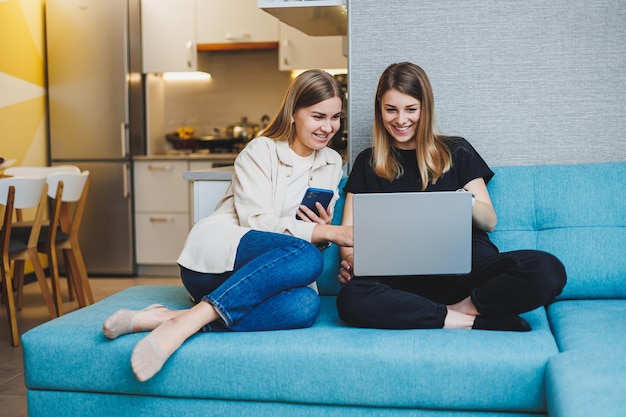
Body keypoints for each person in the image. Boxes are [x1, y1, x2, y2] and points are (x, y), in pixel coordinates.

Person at [103, 69, 353, 382]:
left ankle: (175, 318)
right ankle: (180, 327)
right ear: (293, 113)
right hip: (213, 265)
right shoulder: (259, 151)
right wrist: (327, 233)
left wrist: (320, 232)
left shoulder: (331, 162)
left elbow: (299, 243)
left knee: (304, 306)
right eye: (318, 116)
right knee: (308, 256)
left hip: (262, 277)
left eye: (335, 117)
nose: (328, 127)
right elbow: (256, 222)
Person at [336, 62, 566, 331]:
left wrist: (460, 201)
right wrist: (351, 263)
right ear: (380, 109)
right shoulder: (368, 162)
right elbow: (348, 239)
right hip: (401, 282)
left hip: (467, 275)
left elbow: (489, 221)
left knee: (547, 269)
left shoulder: (456, 150)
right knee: (351, 299)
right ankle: (467, 321)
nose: (401, 120)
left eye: (411, 109)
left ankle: (454, 312)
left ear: (426, 108)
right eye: (391, 110)